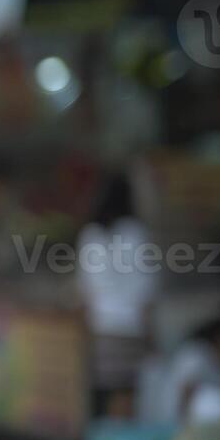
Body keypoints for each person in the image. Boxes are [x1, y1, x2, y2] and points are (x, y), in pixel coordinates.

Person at [76, 173, 158, 418]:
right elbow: (145, 292)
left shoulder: (90, 234)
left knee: (106, 395)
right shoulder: (136, 234)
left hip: (101, 328)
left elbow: (86, 291)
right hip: (130, 327)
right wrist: (151, 336)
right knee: (125, 398)